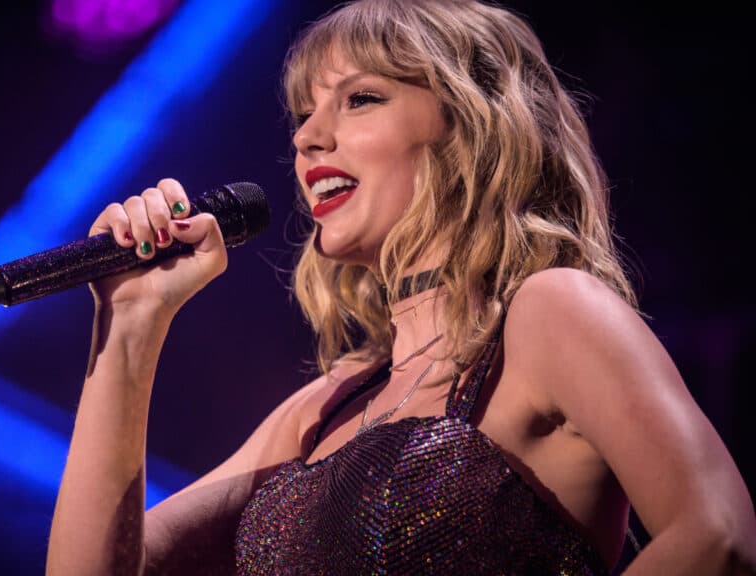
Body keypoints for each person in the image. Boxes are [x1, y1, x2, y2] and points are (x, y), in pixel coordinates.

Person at [44, 0, 756, 574]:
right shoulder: (324, 409)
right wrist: (130, 328)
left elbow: (715, 534)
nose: (307, 138)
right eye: (304, 114)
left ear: (470, 128)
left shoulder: (550, 313)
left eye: (360, 99)